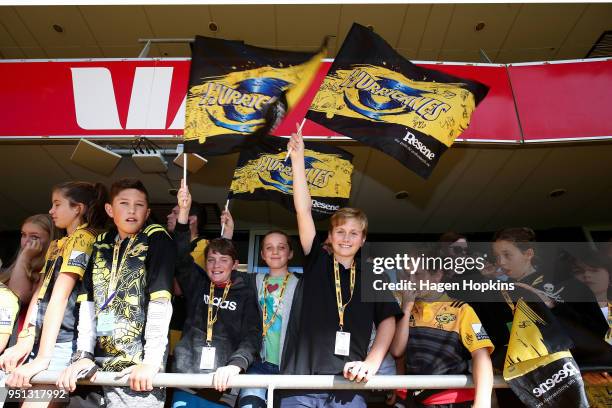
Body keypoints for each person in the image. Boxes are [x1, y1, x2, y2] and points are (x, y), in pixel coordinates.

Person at [280, 127, 403, 408]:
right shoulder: (317, 260)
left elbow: (387, 321)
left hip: (349, 384)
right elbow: (303, 210)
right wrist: (298, 162)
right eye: (340, 231)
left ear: (363, 239)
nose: (346, 238)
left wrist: (372, 362)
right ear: (330, 237)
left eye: (353, 233)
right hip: (301, 382)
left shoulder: (373, 274)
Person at [57, 178, 175, 408]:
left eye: (139, 205)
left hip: (136, 368)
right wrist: (83, 355)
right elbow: (88, 302)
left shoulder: (156, 238)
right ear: (110, 210)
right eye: (124, 203)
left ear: (147, 211)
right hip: (97, 366)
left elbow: (160, 302)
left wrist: (151, 363)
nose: (132, 210)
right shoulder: (101, 242)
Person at [0, 182, 107, 395]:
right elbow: (40, 294)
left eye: (57, 204)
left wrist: (43, 358)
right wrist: (25, 340)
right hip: (40, 340)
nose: (51, 211)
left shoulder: (84, 238)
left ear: (78, 208)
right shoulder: (58, 243)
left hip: (62, 343)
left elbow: (59, 297)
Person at [171, 180, 261, 407]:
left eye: (223, 260)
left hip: (223, 384)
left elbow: (252, 335)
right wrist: (183, 213)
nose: (216, 265)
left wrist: (236, 365)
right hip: (187, 380)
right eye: (211, 259)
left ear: (235, 264)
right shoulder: (197, 284)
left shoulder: (245, 292)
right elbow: (181, 256)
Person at [390, 255, 494, 408]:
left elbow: (481, 355)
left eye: (417, 274)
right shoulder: (404, 306)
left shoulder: (462, 310)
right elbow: (397, 351)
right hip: (411, 398)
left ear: (437, 275)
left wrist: (482, 402)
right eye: (407, 274)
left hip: (449, 398)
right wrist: (406, 309)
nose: (410, 281)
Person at [239, 230, 300, 408]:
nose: (275, 252)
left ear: (290, 253)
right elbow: (223, 269)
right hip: (258, 364)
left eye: (281, 247)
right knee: (249, 404)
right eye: (269, 248)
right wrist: (226, 234)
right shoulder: (253, 281)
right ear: (262, 255)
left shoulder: (301, 284)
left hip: (289, 366)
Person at [0, 214, 60, 306]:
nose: (26, 241)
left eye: (34, 237)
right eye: (23, 235)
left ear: (50, 240)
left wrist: (24, 257)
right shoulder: (9, 268)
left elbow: (19, 296)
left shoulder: (48, 272)